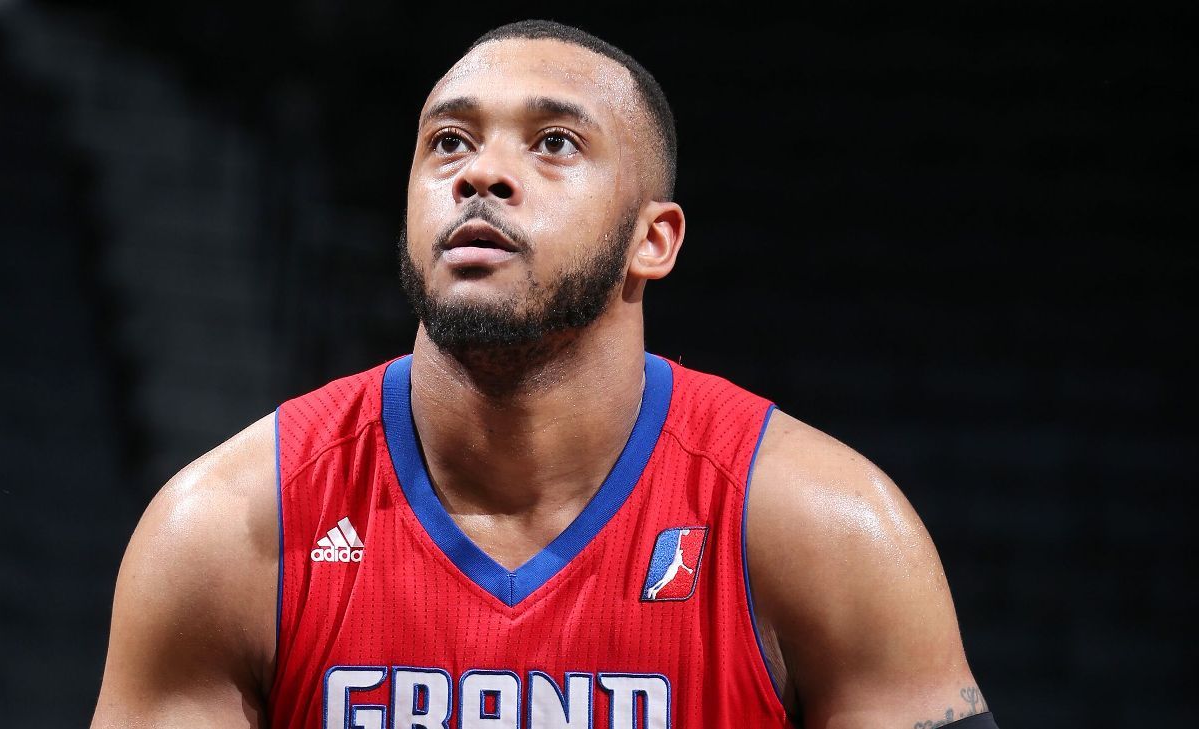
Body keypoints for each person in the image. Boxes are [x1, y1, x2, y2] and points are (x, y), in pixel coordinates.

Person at [91, 19, 997, 729]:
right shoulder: (225, 532)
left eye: (554, 142)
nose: (482, 173)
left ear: (653, 239)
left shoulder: (823, 530)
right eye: (449, 142)